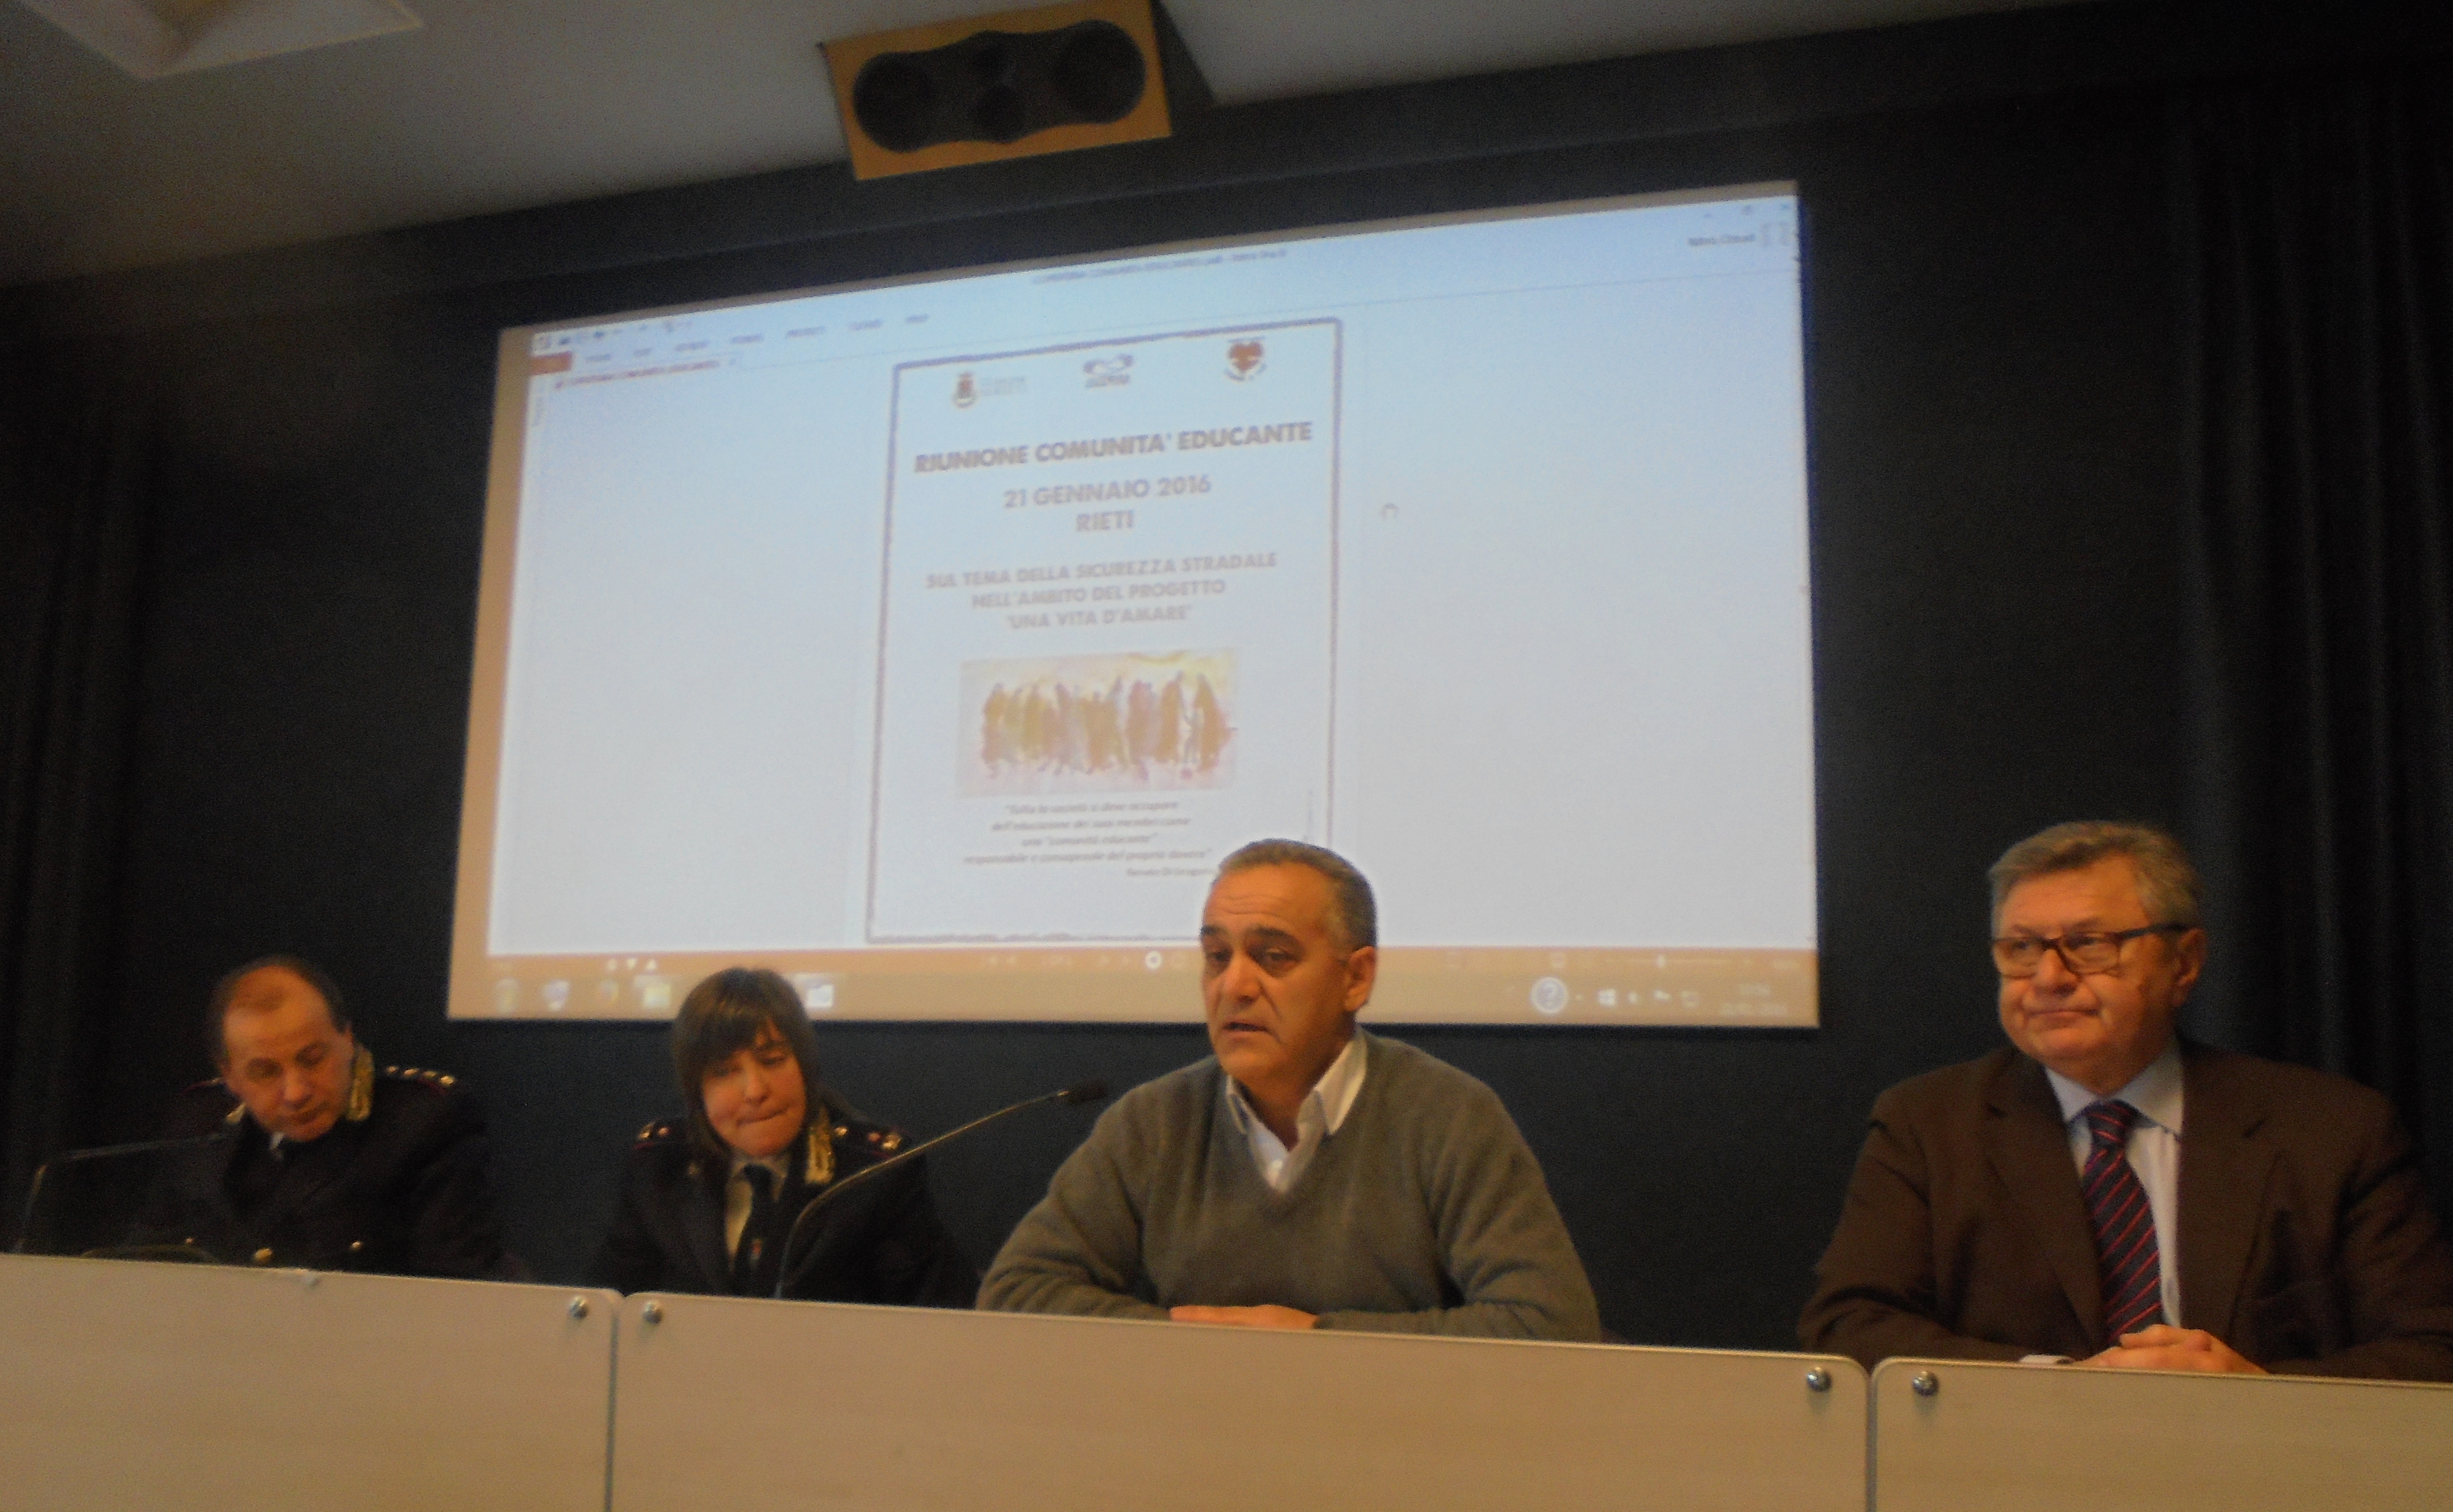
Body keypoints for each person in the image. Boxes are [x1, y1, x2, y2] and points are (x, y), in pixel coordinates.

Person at [1800, 821, 2453, 1378]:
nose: (2048, 978)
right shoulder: (1928, 1124)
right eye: (2021, 949)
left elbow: (2429, 1349)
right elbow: (1849, 1327)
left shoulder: (2332, 1130)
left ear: (2184, 962)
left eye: (2088, 945)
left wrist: (2257, 1391)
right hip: (2015, 1464)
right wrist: (2065, 1385)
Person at [979, 839, 1600, 1338]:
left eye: (1273, 957)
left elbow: (1549, 1323)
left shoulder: (1446, 1117)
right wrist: (1194, 1341)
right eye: (1217, 957)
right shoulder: (1156, 1122)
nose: (1234, 986)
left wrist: (1320, 1342)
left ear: (1356, 979)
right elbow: (1016, 1293)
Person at [590, 966, 975, 1304]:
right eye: (724, 1072)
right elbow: (604, 1315)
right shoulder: (658, 1166)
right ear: (697, 1092)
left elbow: (939, 1320)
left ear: (805, 1067)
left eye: (772, 1061)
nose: (755, 1090)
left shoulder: (874, 1174)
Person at [126, 956, 515, 1277]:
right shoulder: (200, 1124)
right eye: (266, 1072)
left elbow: (454, 1293)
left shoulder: (421, 1123)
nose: (296, 1092)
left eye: (313, 1059)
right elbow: (146, 1272)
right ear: (230, 1076)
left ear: (348, 1040)